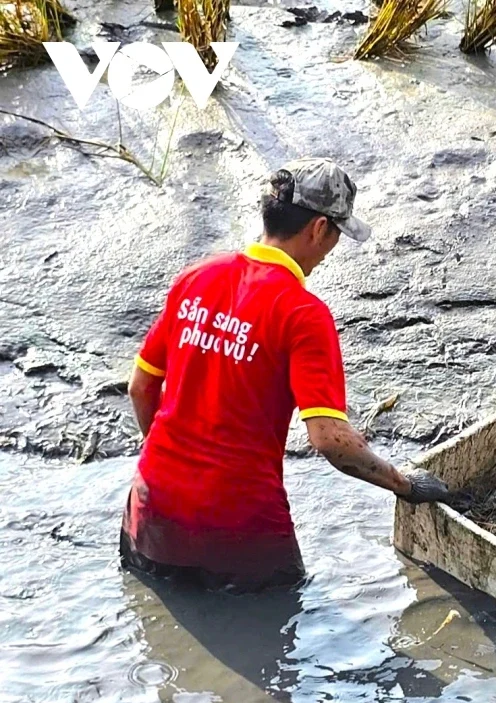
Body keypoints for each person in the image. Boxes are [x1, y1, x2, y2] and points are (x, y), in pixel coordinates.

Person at [124, 158, 450, 592]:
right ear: (319, 229)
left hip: (149, 514)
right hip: (239, 531)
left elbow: (141, 387)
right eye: (336, 233)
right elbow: (330, 439)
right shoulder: (302, 314)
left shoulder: (194, 279)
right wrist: (405, 485)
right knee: (276, 636)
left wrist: (172, 468)